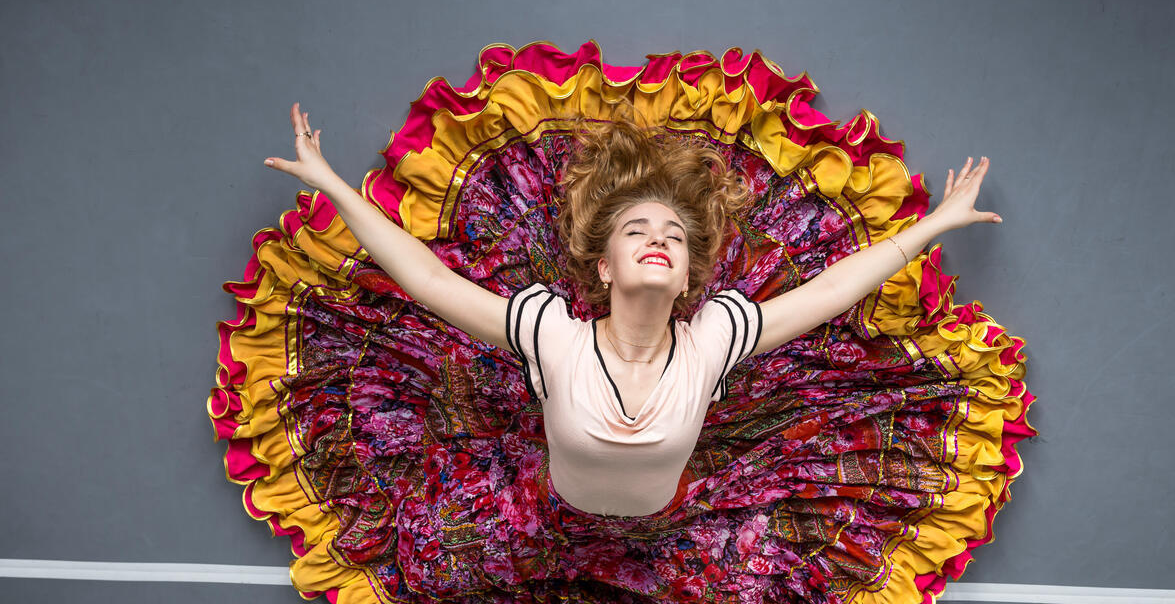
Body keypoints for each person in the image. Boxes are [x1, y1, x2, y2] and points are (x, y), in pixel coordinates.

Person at [264, 101, 1002, 518]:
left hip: (667, 521)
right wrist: (330, 183)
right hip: (549, 512)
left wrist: (934, 226)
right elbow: (427, 281)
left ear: (686, 277)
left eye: (674, 236)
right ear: (605, 266)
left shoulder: (715, 337)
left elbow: (832, 291)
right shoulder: (552, 333)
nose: (658, 240)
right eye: (637, 231)